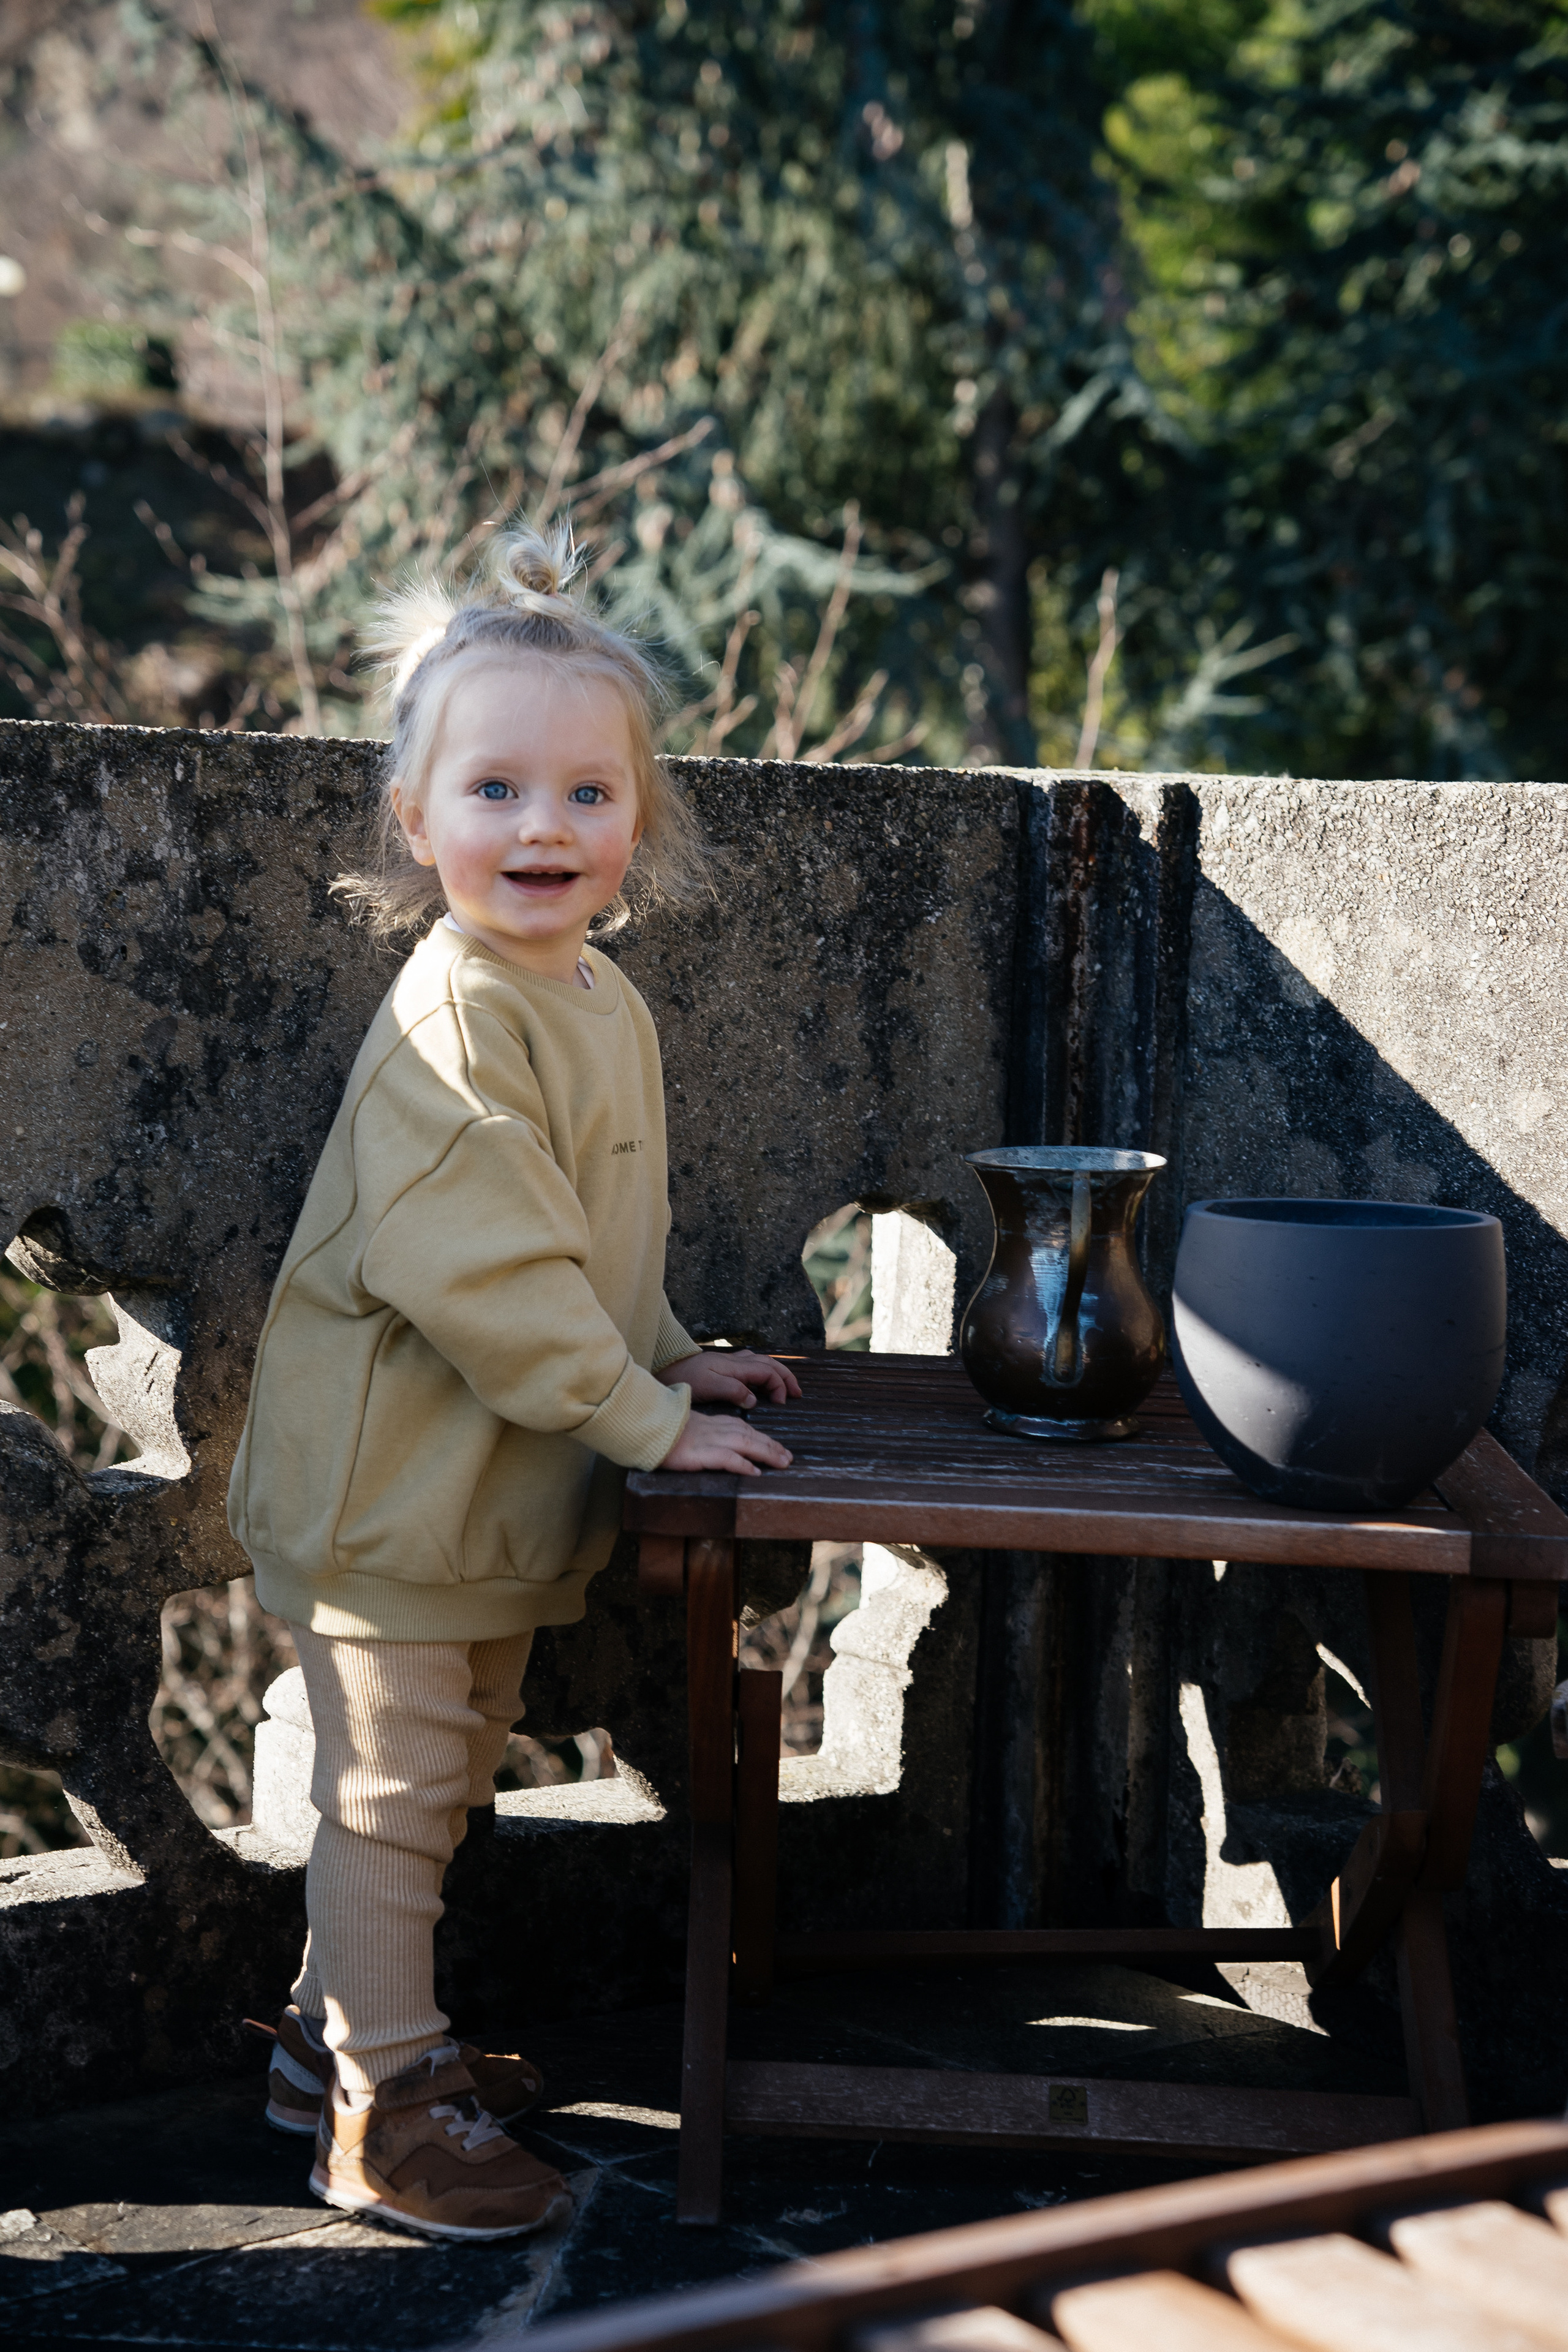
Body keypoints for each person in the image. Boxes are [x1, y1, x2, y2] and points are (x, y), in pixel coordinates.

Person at [227, 522, 800, 2242]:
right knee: (392, 1795)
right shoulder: (457, 1012)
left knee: (438, 1776)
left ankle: (324, 2049)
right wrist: (645, 1421)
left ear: (641, 821)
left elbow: (592, 1234)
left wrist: (675, 1343)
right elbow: (484, 1274)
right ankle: (385, 2108)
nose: (542, 827)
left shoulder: (592, 994)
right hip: (391, 1485)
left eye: (586, 794)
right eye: (494, 790)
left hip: (477, 1496)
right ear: (418, 823)